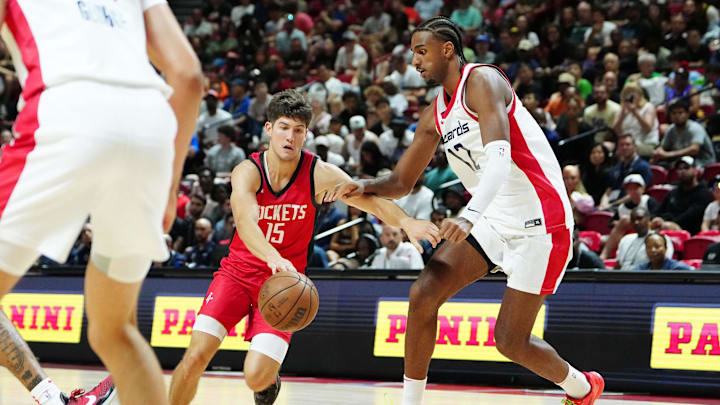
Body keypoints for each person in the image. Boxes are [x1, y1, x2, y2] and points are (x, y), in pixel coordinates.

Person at [326, 17, 603, 405]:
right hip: (492, 218)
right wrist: (363, 185)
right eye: (412, 54)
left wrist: (468, 215)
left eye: (421, 51)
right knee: (423, 293)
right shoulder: (435, 113)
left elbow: (500, 158)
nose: (415, 62)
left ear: (448, 49)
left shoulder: (483, 81)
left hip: (540, 220)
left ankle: (583, 388)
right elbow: (402, 182)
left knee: (509, 341)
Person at [168, 89, 439, 405]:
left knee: (255, 376)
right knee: (195, 357)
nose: (290, 137)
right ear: (269, 129)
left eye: (298, 130)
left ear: (306, 134)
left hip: (284, 286)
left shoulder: (318, 173)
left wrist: (406, 222)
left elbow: (370, 202)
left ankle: (269, 378)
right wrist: (272, 256)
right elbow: (244, 222)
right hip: (237, 276)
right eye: (283, 127)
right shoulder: (248, 171)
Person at [0, 1, 203, 405]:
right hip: (149, 130)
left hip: (65, 114)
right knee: (114, 331)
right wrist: (169, 189)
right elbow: (188, 76)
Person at [652, 156, 713, 235]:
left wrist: (667, 223)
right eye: (679, 169)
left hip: (690, 233)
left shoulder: (704, 194)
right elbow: (658, 211)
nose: (682, 171)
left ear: (695, 170)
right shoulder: (672, 193)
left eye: (686, 168)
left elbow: (689, 217)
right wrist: (656, 219)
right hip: (665, 228)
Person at [652, 101, 715, 168]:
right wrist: (659, 152)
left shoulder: (695, 128)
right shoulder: (671, 129)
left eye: (680, 113)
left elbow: (694, 149)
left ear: (687, 114)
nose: (677, 116)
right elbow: (663, 147)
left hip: (702, 162)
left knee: (683, 168)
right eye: (674, 113)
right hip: (681, 161)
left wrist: (668, 154)